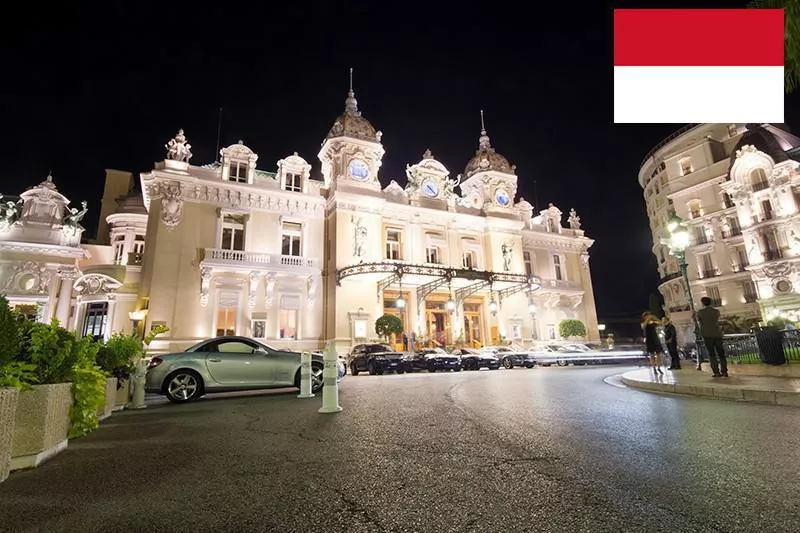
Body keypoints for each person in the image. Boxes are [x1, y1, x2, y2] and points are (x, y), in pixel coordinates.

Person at [696, 297, 727, 377]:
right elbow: (717, 321)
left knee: (711, 354)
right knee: (721, 354)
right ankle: (724, 371)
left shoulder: (700, 312)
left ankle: (716, 372)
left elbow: (699, 323)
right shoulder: (716, 311)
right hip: (717, 334)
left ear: (702, 303)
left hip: (707, 335)